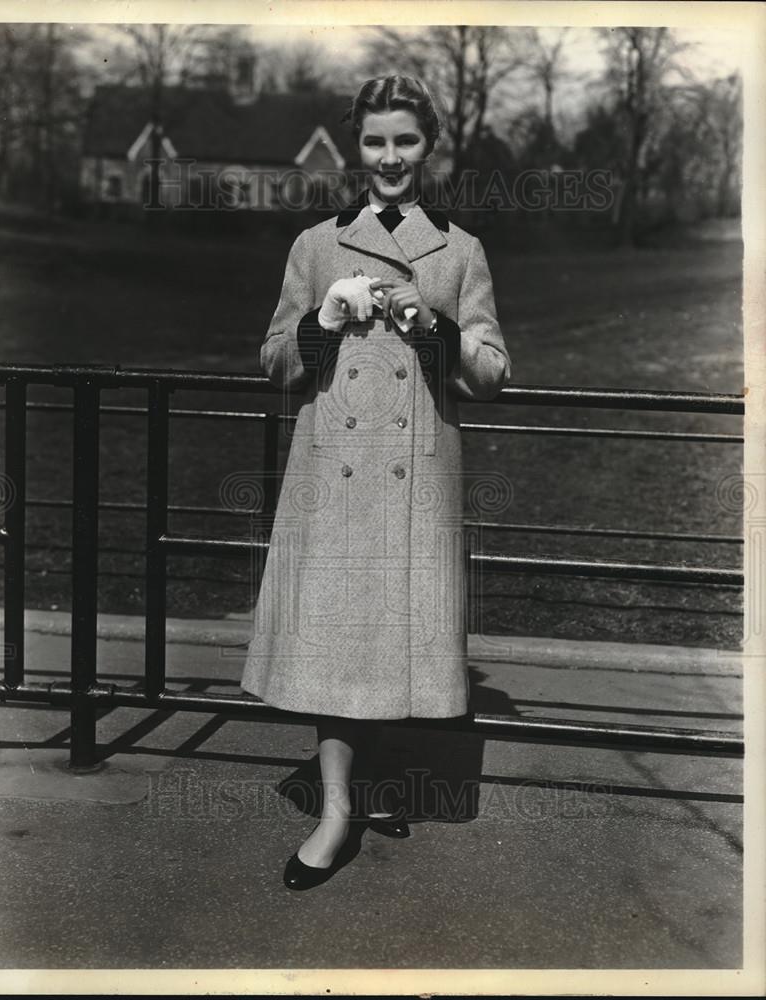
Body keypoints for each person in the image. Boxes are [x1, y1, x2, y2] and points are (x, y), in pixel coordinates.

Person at [240, 75, 511, 890]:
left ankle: (380, 786)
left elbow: (493, 374)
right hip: (335, 474)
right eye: (374, 142)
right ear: (356, 147)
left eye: (406, 141)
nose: (389, 159)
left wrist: (434, 328)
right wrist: (320, 320)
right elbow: (275, 367)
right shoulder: (316, 244)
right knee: (338, 639)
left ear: (429, 147)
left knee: (394, 631)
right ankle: (333, 811)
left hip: (417, 475)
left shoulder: (459, 251)